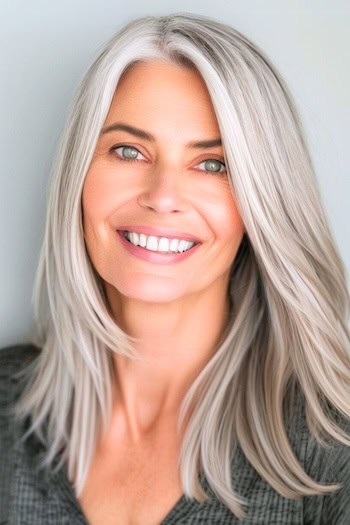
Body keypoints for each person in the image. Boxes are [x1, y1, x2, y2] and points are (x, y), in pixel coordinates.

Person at [1, 11, 350, 525]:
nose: (162, 197)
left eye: (213, 164)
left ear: (262, 202)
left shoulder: (332, 449)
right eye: (128, 151)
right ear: (78, 173)